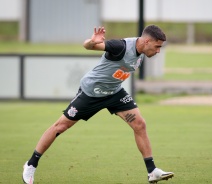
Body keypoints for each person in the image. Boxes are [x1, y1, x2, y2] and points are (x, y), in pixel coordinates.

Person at [22, 25, 174, 184]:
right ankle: (31, 164)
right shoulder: (120, 47)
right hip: (91, 93)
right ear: (147, 41)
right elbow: (89, 46)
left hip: (114, 93)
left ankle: (152, 171)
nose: (158, 51)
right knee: (60, 126)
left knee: (140, 124)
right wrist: (91, 41)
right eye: (157, 47)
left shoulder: (142, 52)